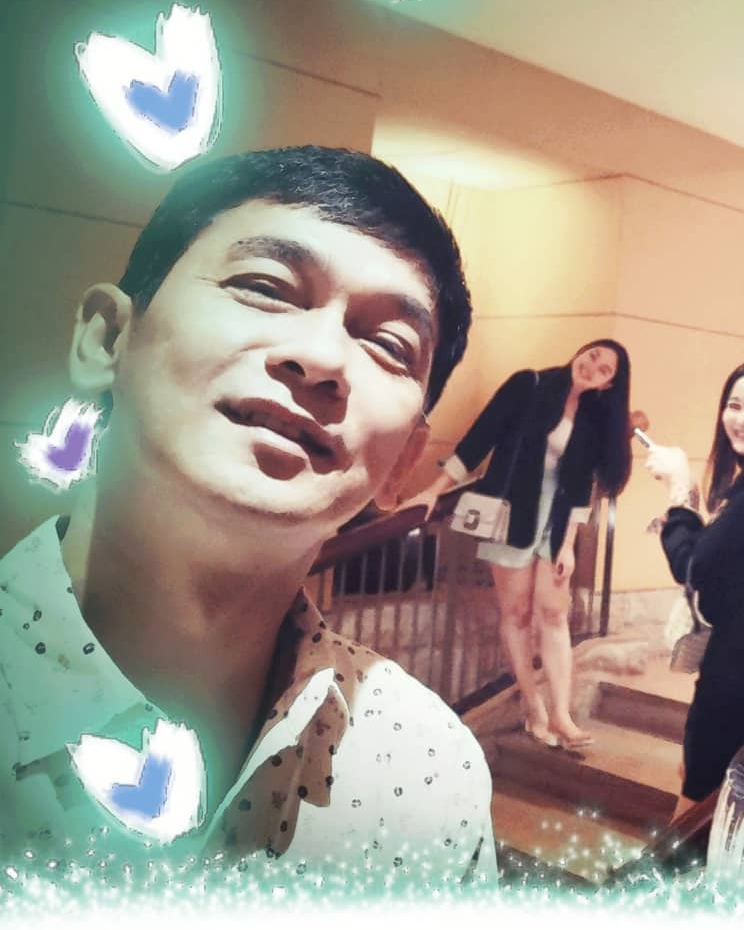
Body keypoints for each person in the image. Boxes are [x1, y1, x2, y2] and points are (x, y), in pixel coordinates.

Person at [0, 146, 497, 882]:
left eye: (389, 344)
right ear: (107, 339)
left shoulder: (427, 770)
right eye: (264, 286)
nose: (321, 358)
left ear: (404, 463)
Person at [406, 342, 633, 749]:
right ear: (580, 352)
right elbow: (479, 440)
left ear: (608, 385)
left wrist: (568, 545)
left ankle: (561, 714)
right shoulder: (529, 385)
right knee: (517, 614)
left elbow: (582, 486)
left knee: (554, 613)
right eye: (592, 355)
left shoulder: (592, 417)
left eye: (604, 370)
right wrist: (434, 490)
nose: (592, 366)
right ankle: (533, 706)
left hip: (554, 524)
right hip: (511, 517)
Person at [645, 360, 744, 819]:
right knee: (711, 794)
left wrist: (680, 491)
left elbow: (692, 566)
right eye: (734, 405)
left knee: (699, 808)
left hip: (739, 682)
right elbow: (715, 563)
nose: (742, 419)